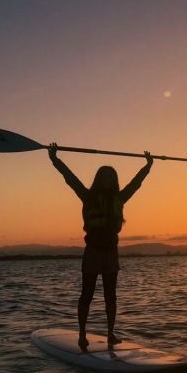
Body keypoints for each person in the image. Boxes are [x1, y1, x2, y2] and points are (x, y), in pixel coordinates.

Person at [48, 143, 153, 350]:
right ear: (99, 179)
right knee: (86, 294)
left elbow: (136, 184)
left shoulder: (119, 198)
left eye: (110, 177)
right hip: (93, 252)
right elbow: (70, 178)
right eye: (104, 176)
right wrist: (55, 159)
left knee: (110, 295)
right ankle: (81, 334)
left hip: (111, 253)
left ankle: (110, 334)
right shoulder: (87, 196)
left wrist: (148, 166)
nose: (108, 180)